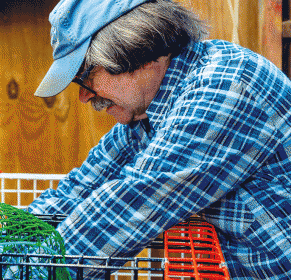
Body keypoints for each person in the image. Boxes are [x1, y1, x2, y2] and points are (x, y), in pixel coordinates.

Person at [28, 0, 291, 279]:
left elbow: (126, 208)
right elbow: (81, 188)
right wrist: (7, 238)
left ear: (136, 49)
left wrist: (19, 274)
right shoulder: (151, 109)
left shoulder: (225, 84)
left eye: (85, 76)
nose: (84, 95)